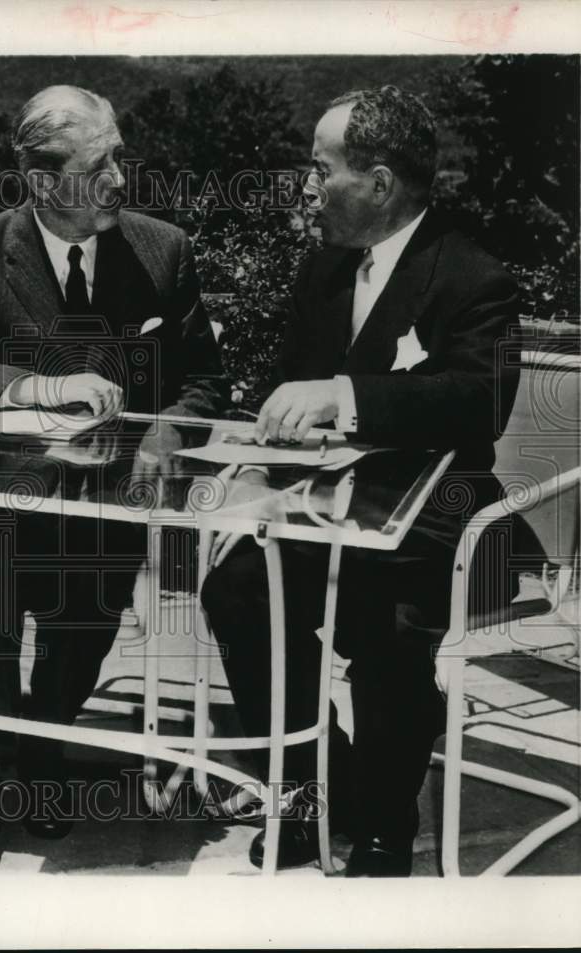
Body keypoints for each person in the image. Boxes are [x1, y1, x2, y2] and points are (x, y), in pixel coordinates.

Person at [200, 85, 520, 876]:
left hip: (434, 514)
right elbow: (291, 389)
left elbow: (481, 399)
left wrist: (344, 398)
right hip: (323, 509)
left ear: (379, 184)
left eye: (321, 169)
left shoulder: (473, 275)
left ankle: (385, 817)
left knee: (386, 623)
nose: (308, 187)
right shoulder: (324, 270)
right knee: (237, 590)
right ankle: (313, 789)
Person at [0, 84, 226, 875]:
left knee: (86, 600)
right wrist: (42, 389)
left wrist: (165, 429)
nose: (122, 178)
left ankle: (45, 748)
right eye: (101, 164)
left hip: (103, 498)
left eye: (121, 154)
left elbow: (204, 379)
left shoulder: (163, 251)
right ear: (43, 181)